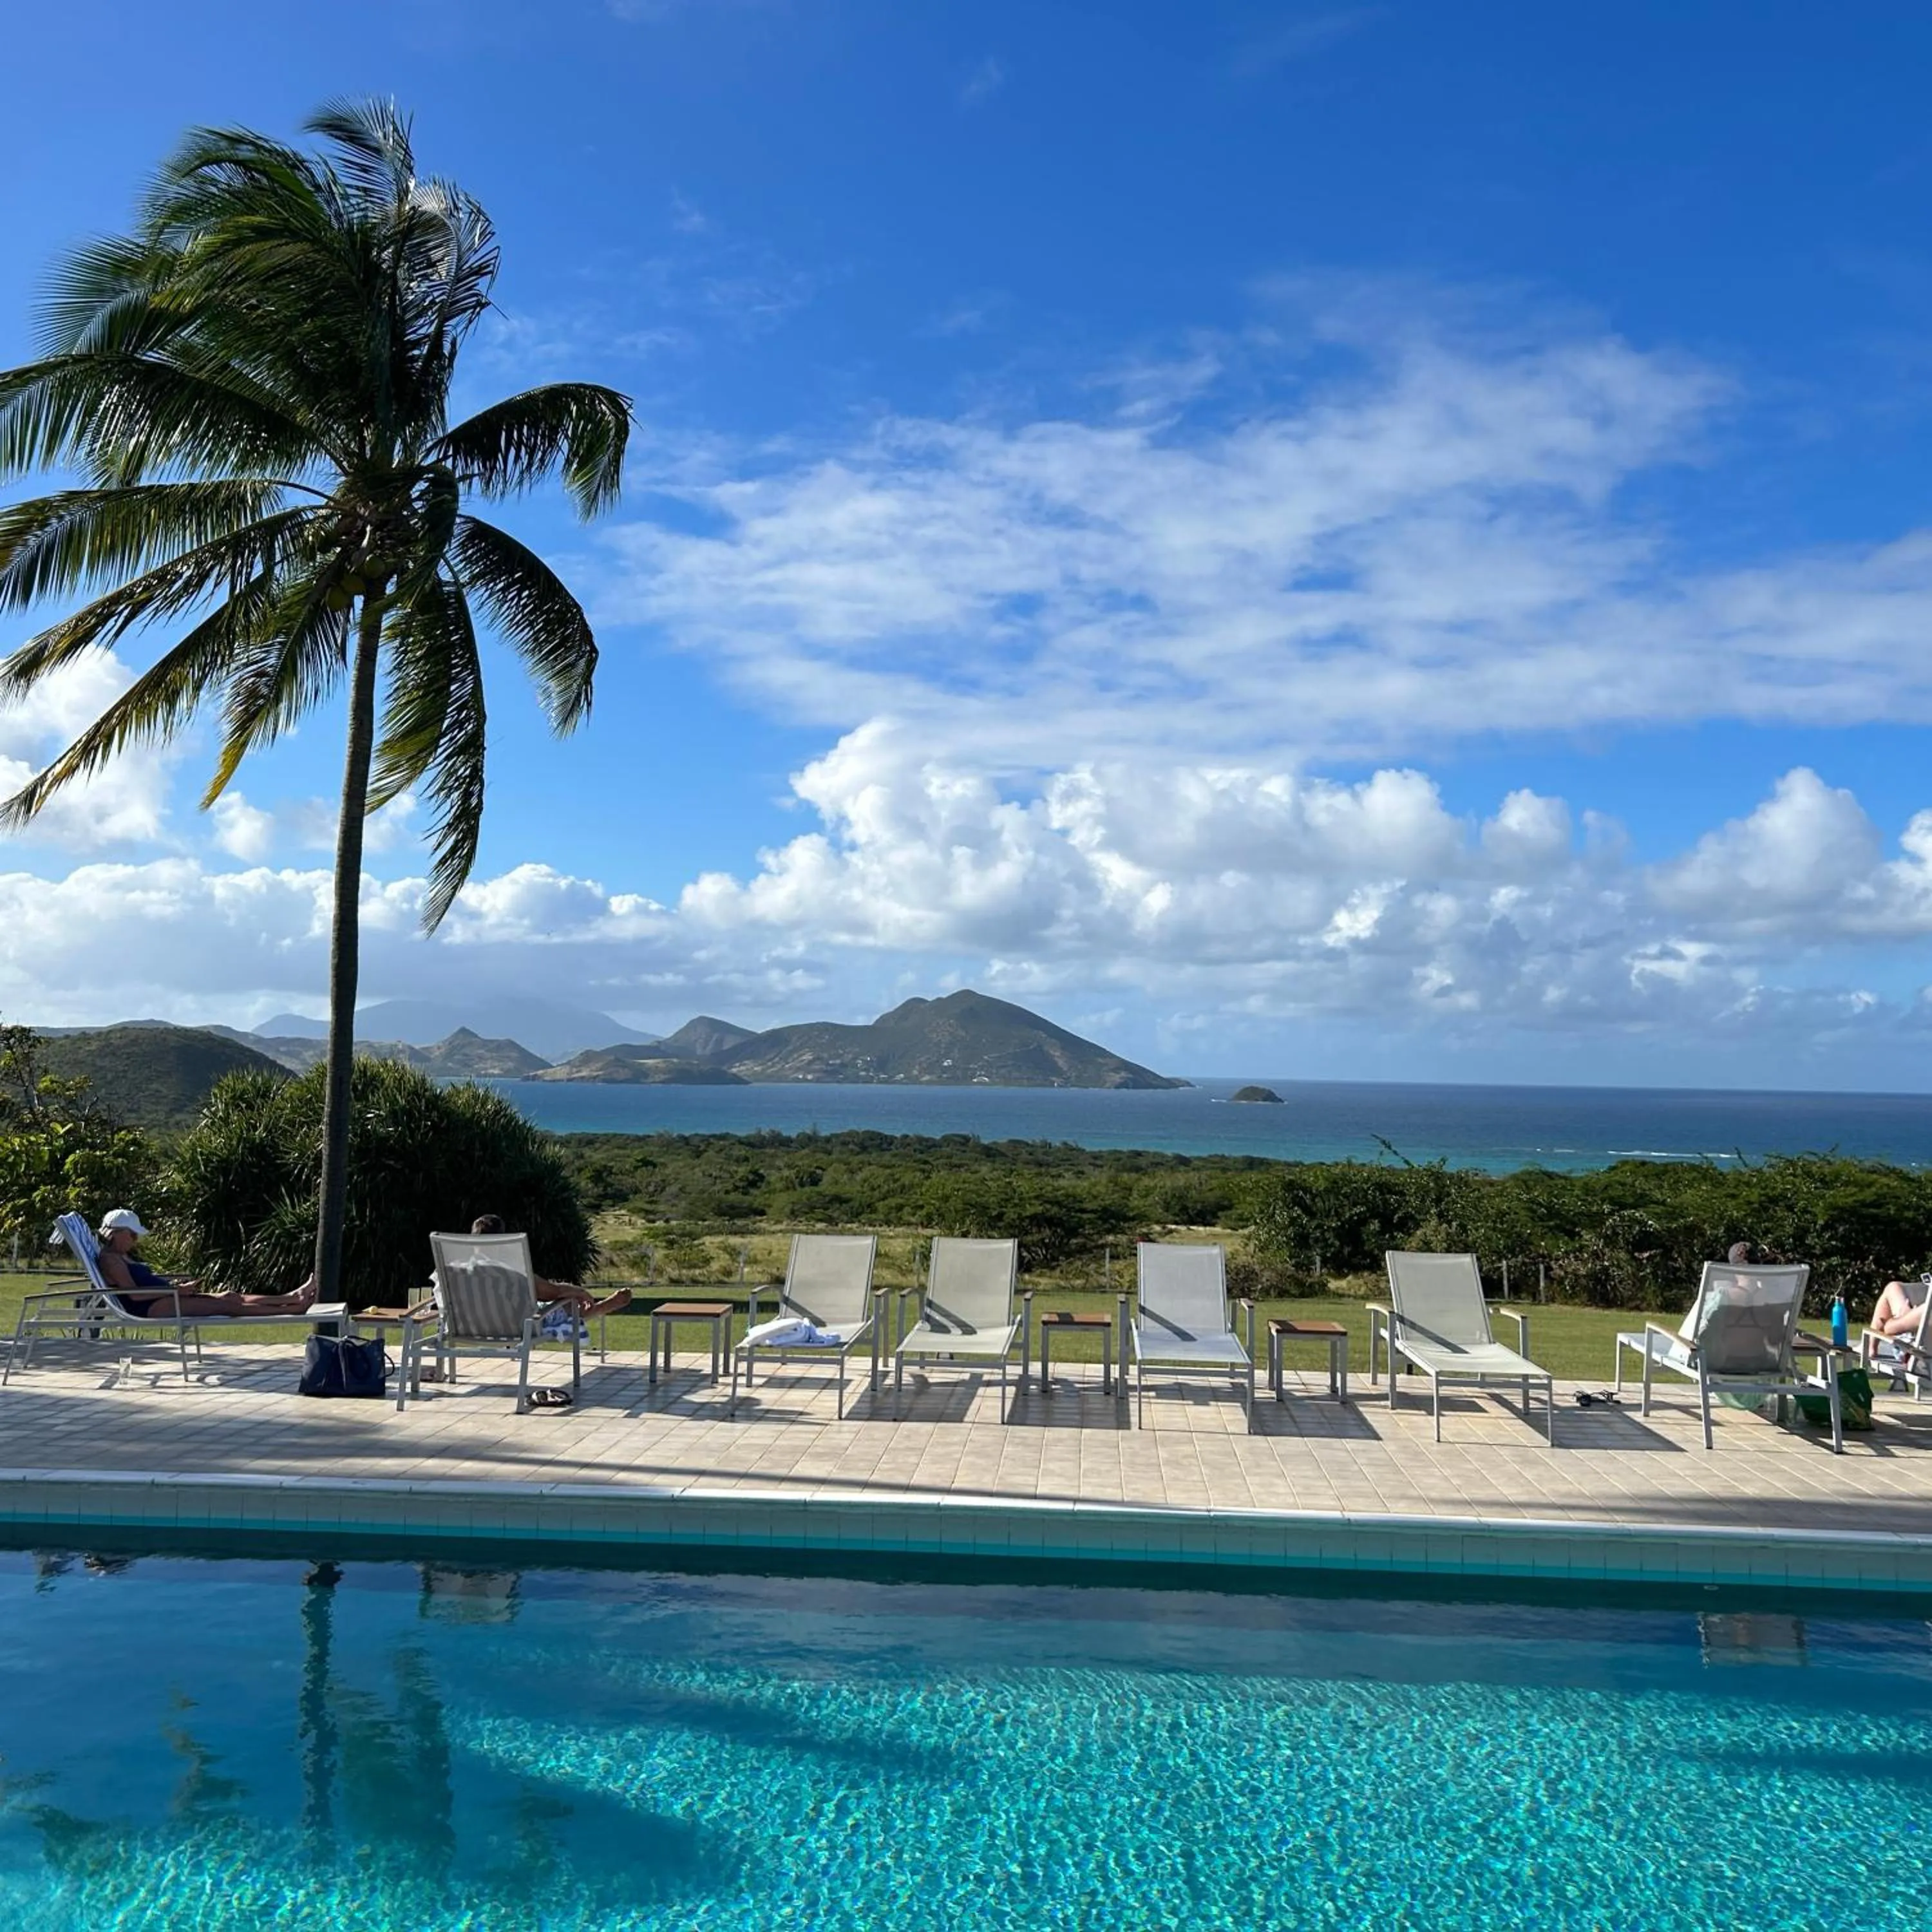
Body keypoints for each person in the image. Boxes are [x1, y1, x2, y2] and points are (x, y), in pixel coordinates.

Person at [94, 1208, 316, 1320]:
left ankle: (292, 1297)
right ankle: (297, 1308)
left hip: (164, 1297)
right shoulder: (111, 1260)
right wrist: (176, 1290)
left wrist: (176, 1288)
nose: (135, 1240)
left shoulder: (119, 1255)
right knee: (225, 1306)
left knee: (230, 1295)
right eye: (132, 1235)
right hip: (148, 1307)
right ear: (116, 1233)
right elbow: (134, 1295)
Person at [467, 1215, 631, 1318]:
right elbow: (552, 1292)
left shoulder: (452, 1271)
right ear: (501, 1241)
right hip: (513, 1325)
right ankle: (598, 1309)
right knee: (569, 1303)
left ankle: (441, 1371)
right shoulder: (511, 1271)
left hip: (466, 1325)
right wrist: (580, 1292)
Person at [1863, 1274, 1930, 1363]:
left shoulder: (1925, 1311)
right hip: (1924, 1358)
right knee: (1894, 1287)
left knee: (1892, 1288)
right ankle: (1871, 1348)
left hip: (1918, 1361)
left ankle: (1870, 1348)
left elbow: (1889, 1329)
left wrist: (1907, 1315)